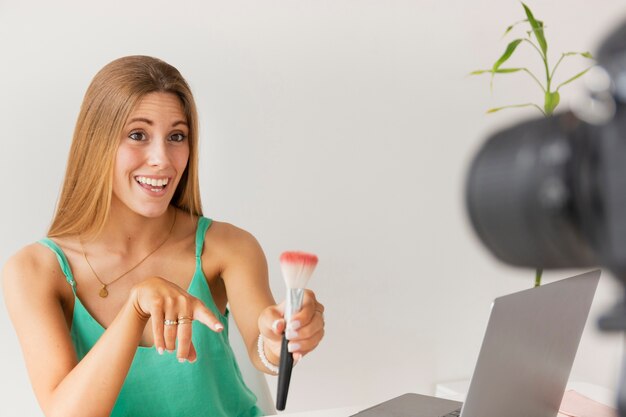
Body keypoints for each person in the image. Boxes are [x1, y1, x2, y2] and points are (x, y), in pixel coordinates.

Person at [2, 55, 325, 417]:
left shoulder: (228, 247)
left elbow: (263, 351)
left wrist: (282, 342)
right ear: (96, 142)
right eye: (137, 135)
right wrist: (136, 310)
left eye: (176, 137)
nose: (162, 158)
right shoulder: (33, 271)